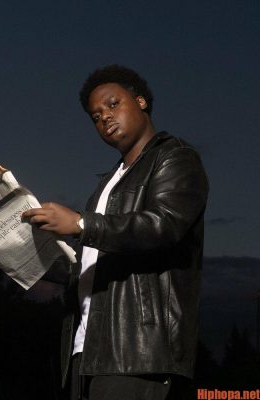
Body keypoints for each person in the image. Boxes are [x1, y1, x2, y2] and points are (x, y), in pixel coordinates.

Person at [22, 65, 209, 400]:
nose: (104, 118)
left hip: (136, 350)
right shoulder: (108, 183)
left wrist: (82, 224)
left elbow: (163, 225)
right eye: (95, 117)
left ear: (141, 101)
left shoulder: (175, 157)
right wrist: (18, 257)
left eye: (112, 104)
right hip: (85, 351)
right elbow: (92, 261)